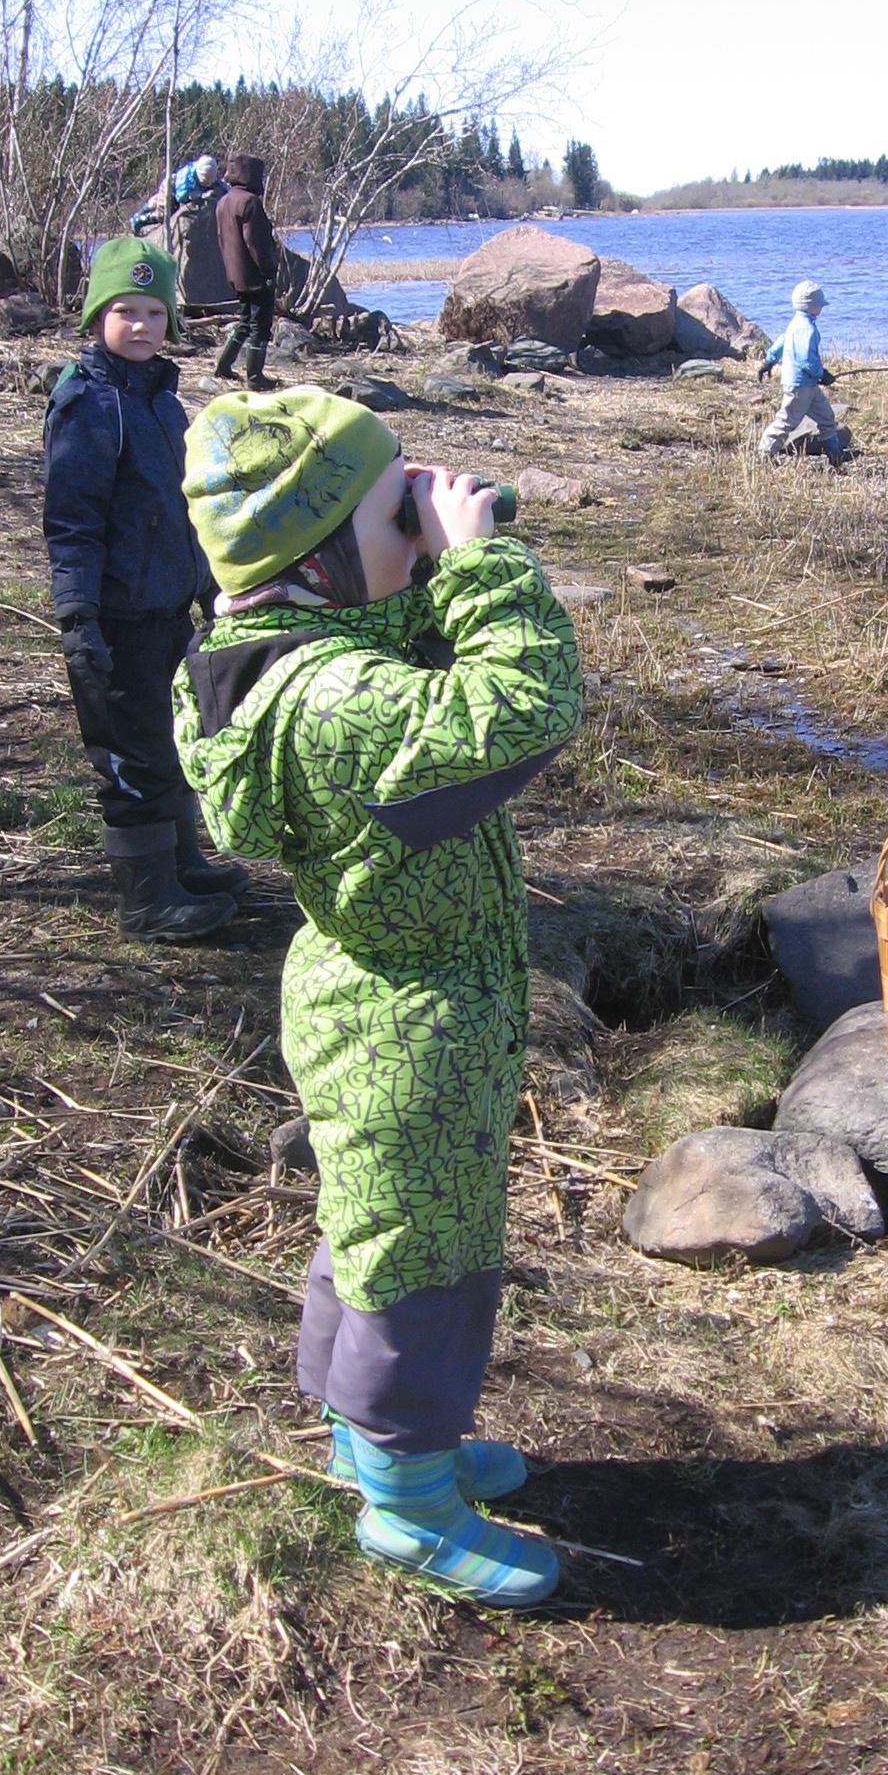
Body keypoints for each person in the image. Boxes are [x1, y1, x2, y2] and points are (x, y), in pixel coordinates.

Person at [175, 390, 583, 1605]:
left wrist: (427, 541)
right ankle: (407, 1505)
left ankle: (373, 1435)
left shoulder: (286, 652)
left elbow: (391, 634)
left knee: (377, 1222)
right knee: (425, 1257)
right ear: (316, 555)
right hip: (411, 1020)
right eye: (389, 499)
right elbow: (520, 704)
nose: (418, 506)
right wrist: (486, 567)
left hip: (383, 991)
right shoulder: (340, 703)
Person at [42, 238, 247, 941]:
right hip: (117, 618)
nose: (141, 326)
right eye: (124, 310)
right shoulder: (86, 407)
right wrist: (77, 618)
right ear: (97, 315)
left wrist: (212, 592)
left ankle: (182, 861)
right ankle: (145, 900)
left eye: (154, 312)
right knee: (130, 752)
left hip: (170, 610)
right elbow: (71, 526)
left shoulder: (164, 401)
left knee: (174, 739)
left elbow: (191, 508)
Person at [757, 280, 846, 468]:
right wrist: (822, 374)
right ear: (814, 306)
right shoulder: (807, 328)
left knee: (826, 417)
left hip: (809, 385)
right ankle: (764, 454)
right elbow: (806, 359)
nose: (821, 309)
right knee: (787, 420)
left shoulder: (796, 324)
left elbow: (781, 342)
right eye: (820, 305)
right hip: (800, 385)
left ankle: (836, 457)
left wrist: (769, 360)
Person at [213, 153, 279, 390]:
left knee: (243, 322)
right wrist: (269, 269)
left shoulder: (224, 201)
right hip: (255, 276)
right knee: (259, 327)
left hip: (236, 274)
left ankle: (223, 366)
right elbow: (256, 243)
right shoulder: (249, 202)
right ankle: (254, 377)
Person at [130, 153, 226, 233]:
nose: (209, 183)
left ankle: (150, 205)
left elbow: (221, 185)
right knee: (163, 215)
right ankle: (140, 218)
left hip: (185, 190)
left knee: (156, 202)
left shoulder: (210, 171)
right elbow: (181, 196)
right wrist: (201, 195)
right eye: (206, 180)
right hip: (171, 188)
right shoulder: (185, 177)